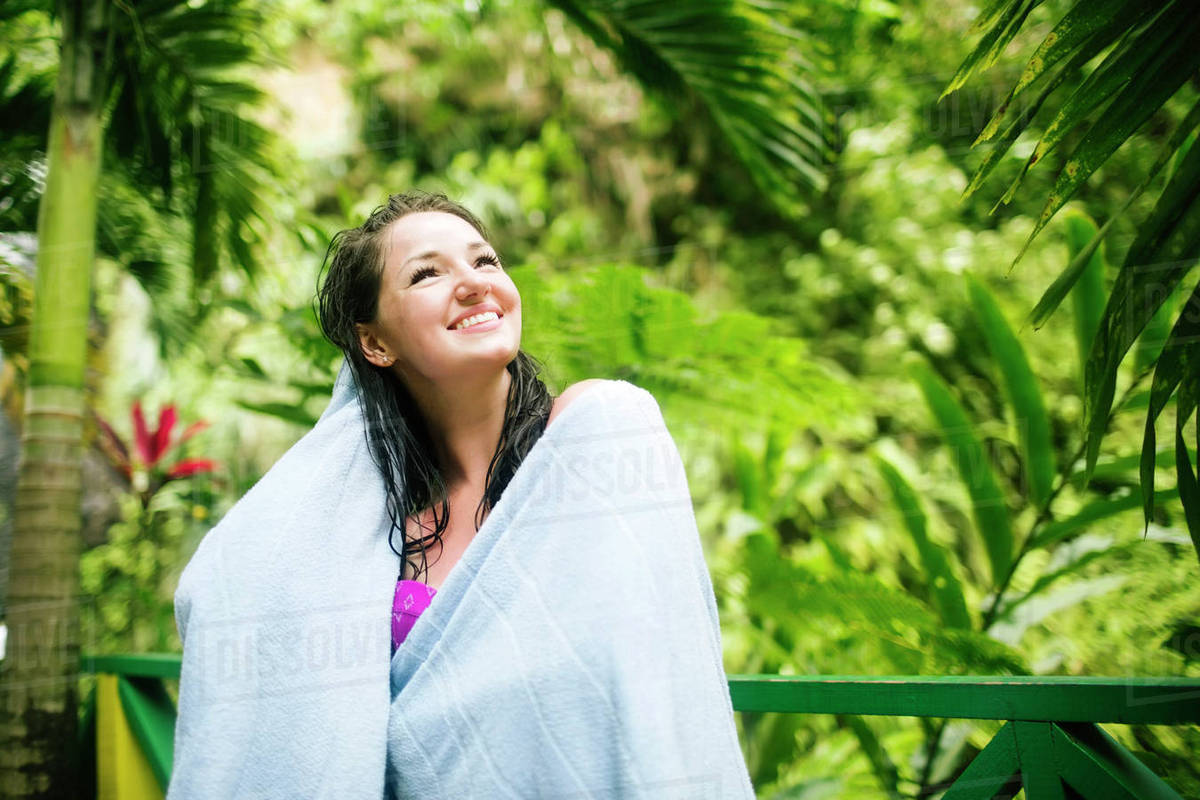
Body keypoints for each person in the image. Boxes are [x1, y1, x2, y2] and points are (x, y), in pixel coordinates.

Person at [168, 191, 754, 799]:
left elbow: (645, 667)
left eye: (486, 261)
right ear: (375, 344)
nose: (474, 284)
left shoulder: (593, 436)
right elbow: (230, 579)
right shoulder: (376, 529)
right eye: (427, 274)